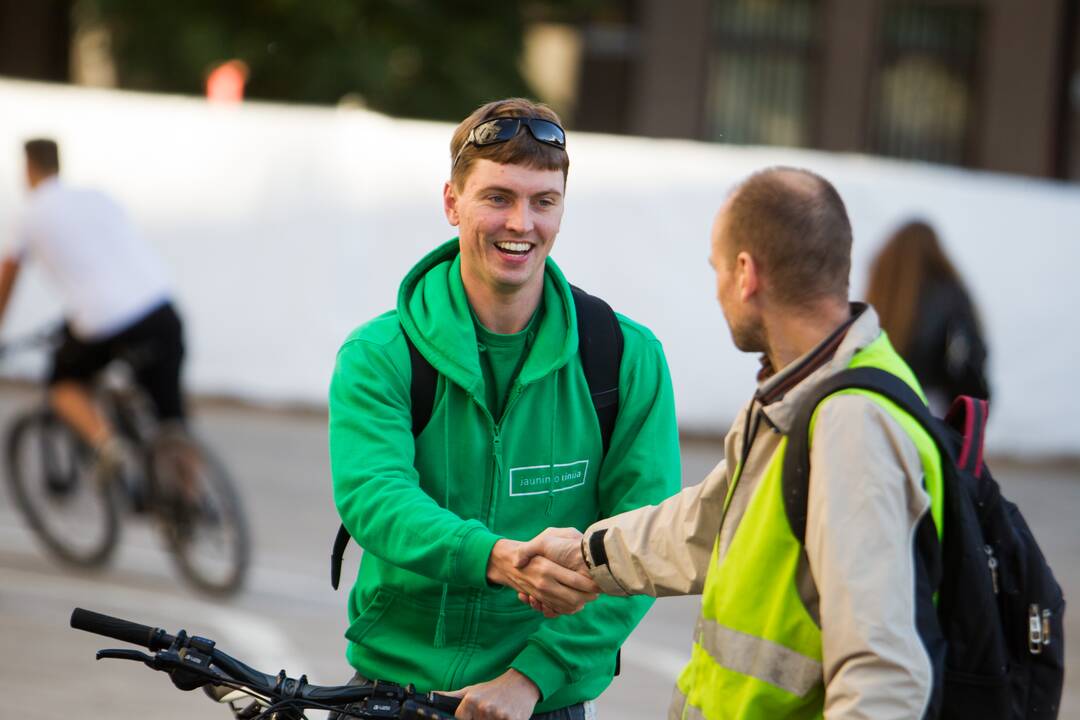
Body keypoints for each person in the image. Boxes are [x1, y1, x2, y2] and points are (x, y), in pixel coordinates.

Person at [516, 167, 948, 719]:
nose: (717, 289)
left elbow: (882, 675)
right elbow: (708, 523)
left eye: (716, 269)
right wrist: (585, 553)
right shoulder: (802, 392)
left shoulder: (851, 423)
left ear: (745, 274)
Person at [328, 98, 680, 720]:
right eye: (498, 197)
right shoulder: (380, 352)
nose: (521, 223)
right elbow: (374, 498)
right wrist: (498, 559)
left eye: (543, 201)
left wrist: (530, 680)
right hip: (390, 690)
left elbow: (641, 542)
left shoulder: (625, 357)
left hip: (544, 701)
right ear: (451, 202)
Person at [0, 138, 186, 474]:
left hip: (104, 319)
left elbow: (6, 282)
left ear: (27, 168)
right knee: (174, 423)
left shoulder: (29, 213)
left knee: (63, 384)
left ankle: (106, 443)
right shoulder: (98, 198)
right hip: (161, 308)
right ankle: (192, 501)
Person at [866, 219, 989, 413]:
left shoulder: (884, 293)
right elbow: (973, 352)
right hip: (935, 404)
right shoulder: (950, 292)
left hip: (882, 398)